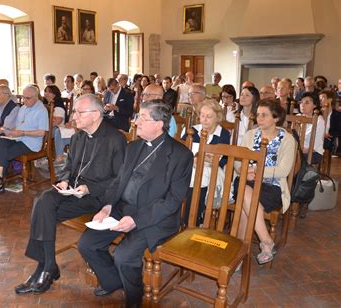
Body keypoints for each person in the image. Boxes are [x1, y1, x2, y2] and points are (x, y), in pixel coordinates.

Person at [78, 100, 193, 307]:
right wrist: (107, 206)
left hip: (154, 217)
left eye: (142, 117)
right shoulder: (133, 147)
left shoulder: (180, 155)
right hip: (123, 208)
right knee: (87, 244)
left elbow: (172, 202)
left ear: (159, 124)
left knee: (124, 257)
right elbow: (117, 182)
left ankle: (134, 299)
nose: (135, 121)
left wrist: (136, 220)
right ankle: (113, 281)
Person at [15, 94, 126, 296]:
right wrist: (65, 179)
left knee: (43, 212)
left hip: (97, 198)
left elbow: (120, 179)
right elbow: (68, 166)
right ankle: (47, 265)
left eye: (79, 112)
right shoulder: (78, 137)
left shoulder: (115, 139)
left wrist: (90, 189)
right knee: (43, 201)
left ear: (96, 114)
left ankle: (46, 268)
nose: (74, 116)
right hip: (73, 192)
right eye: (75, 111)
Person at [235, 100, 295, 265]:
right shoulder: (250, 135)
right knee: (245, 192)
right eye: (258, 115)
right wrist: (244, 172)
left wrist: (258, 172)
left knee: (244, 208)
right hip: (246, 181)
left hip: (272, 186)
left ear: (276, 118)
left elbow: (283, 170)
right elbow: (238, 161)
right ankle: (266, 241)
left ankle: (238, 255)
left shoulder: (287, 140)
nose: (259, 118)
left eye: (264, 115)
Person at [0, 85, 48, 195]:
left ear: (36, 97)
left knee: (2, 152)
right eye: (23, 97)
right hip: (19, 138)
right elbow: (19, 126)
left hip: (31, 142)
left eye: (27, 98)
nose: (24, 101)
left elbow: (42, 133)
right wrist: (11, 132)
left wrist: (23, 133)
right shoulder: (23, 108)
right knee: (1, 142)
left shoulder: (41, 110)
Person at [181, 99, 231, 226]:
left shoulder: (223, 134)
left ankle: (190, 220)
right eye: (202, 115)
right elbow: (180, 152)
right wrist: (193, 159)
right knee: (194, 174)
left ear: (217, 117)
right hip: (191, 167)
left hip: (213, 170)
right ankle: (192, 219)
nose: (204, 119)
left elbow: (225, 159)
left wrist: (212, 159)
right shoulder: (192, 131)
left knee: (201, 175)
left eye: (209, 116)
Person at [298, 92, 325, 164]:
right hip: (298, 150)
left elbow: (315, 146)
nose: (302, 105)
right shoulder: (297, 117)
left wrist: (298, 150)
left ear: (314, 105)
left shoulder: (319, 121)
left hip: (313, 153)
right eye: (301, 102)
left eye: (307, 103)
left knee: (292, 158)